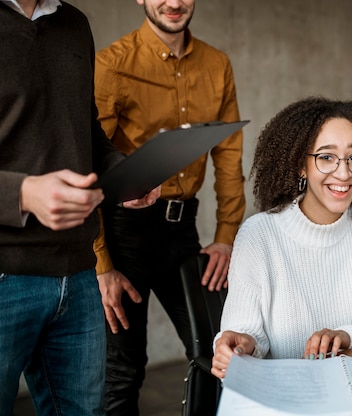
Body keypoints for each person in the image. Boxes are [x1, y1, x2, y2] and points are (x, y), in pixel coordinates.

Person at [0, 1, 158, 415]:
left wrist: (125, 175)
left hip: (79, 274)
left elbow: (87, 134)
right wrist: (22, 194)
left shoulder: (73, 24)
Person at [211, 97, 352, 377]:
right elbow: (244, 335)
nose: (344, 173)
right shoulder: (259, 234)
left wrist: (348, 335)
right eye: (326, 157)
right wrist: (241, 345)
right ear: (301, 165)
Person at [93, 0, 245, 413]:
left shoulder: (217, 64)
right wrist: (102, 265)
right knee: (122, 371)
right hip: (123, 232)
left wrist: (226, 237)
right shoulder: (111, 63)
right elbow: (88, 163)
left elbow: (229, 155)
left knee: (221, 354)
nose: (174, 3)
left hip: (183, 230)